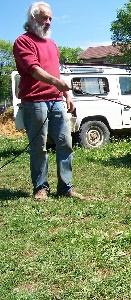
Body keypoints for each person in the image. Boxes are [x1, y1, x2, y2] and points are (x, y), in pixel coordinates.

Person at [13, 2, 84, 200]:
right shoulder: (23, 41)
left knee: (65, 144)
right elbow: (34, 69)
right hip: (34, 101)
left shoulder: (52, 45)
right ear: (32, 18)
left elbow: (56, 71)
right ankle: (40, 188)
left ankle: (66, 187)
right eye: (44, 17)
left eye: (51, 18)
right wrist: (56, 83)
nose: (48, 22)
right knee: (39, 147)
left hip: (56, 100)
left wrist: (67, 94)